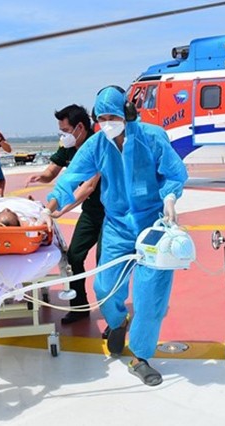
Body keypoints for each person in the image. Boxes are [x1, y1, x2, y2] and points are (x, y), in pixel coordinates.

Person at [46, 86, 188, 386]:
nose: (107, 122)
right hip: (117, 227)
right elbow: (73, 175)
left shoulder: (151, 136)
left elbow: (174, 172)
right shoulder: (98, 144)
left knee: (150, 295)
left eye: (112, 115)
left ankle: (141, 356)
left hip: (153, 225)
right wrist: (54, 201)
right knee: (104, 286)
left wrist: (170, 198)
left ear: (126, 112)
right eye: (102, 117)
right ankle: (116, 322)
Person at [26, 104, 105, 325]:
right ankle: (79, 307)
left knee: (105, 262)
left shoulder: (97, 145)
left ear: (80, 127)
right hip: (91, 212)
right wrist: (39, 177)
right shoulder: (68, 146)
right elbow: (53, 171)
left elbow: (88, 186)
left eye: (65, 129)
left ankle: (114, 317)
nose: (63, 135)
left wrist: (60, 210)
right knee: (74, 257)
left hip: (111, 214)